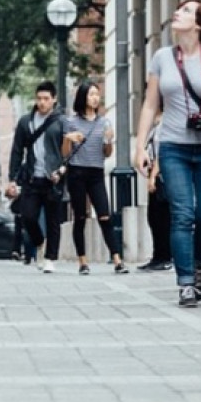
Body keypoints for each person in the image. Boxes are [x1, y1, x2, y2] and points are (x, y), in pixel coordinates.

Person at [134, 0, 201, 308]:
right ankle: (186, 283)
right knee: (182, 214)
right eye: (178, 8)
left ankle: (197, 265)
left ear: (200, 23)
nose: (177, 12)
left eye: (187, 10)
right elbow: (151, 104)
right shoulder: (162, 57)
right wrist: (140, 146)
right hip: (173, 147)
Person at [62, 80, 126, 274]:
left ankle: (117, 260)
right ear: (82, 97)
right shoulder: (70, 122)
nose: (95, 98)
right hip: (77, 172)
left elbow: (107, 153)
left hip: (96, 172)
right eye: (91, 94)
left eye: (97, 94)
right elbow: (65, 154)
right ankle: (83, 262)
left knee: (105, 216)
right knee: (80, 217)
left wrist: (109, 139)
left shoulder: (104, 122)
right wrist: (68, 138)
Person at [6, 81, 67, 273]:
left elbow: (69, 152)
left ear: (54, 99)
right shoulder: (26, 122)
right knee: (27, 216)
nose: (42, 103)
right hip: (32, 177)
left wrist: (61, 170)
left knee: (53, 220)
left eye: (46, 99)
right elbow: (17, 151)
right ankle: (40, 242)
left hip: (53, 178)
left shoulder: (62, 121)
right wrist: (12, 178)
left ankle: (50, 258)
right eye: (39, 98)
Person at [137, 116, 173, 272]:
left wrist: (153, 176)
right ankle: (157, 256)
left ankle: (166, 257)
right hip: (156, 173)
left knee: (162, 218)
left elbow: (164, 151)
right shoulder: (155, 124)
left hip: (164, 175)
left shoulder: (166, 122)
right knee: (154, 217)